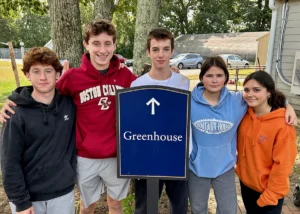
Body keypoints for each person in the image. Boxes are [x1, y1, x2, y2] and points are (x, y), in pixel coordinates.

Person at [0, 19, 137, 214]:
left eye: (108, 43)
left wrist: (170, 75)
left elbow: (149, 91)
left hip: (117, 154)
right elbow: (43, 91)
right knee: (86, 206)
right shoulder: (72, 77)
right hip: (85, 156)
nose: (102, 49)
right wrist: (15, 101)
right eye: (96, 43)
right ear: (86, 44)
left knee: (115, 205)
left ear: (115, 45)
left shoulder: (126, 76)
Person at [188, 56, 297, 214]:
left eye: (219, 75)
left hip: (224, 167)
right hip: (196, 167)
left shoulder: (237, 101)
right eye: (209, 75)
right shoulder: (189, 101)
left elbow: (263, 95)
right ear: (201, 77)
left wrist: (288, 106)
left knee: (228, 210)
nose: (214, 80)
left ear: (226, 77)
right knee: (198, 209)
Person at [0, 47, 76, 214]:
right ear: (27, 74)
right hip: (29, 199)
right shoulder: (15, 114)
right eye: (36, 71)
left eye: (48, 71)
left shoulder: (69, 105)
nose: (43, 77)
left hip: (63, 193)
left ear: (58, 74)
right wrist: (21, 202)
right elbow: (8, 162)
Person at [130, 28, 190, 214]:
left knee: (179, 207)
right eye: (155, 49)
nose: (161, 54)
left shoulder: (183, 82)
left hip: (176, 156)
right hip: (148, 158)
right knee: (146, 208)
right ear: (148, 52)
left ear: (172, 51)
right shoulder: (137, 85)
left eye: (165, 49)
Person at [236, 70, 297, 214]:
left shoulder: (282, 124)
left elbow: (283, 165)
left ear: (269, 92)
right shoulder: (244, 113)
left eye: (256, 90)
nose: (250, 94)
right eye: (246, 90)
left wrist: (271, 195)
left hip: (268, 192)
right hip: (247, 185)